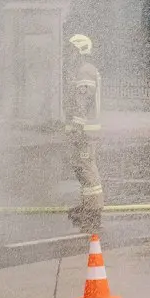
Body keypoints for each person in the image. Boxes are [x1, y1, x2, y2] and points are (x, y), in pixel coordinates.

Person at [65, 34, 103, 233]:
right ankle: (88, 205)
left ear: (79, 50)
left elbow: (83, 101)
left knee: (87, 168)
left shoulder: (85, 70)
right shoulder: (85, 70)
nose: (69, 54)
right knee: (82, 167)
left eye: (71, 50)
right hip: (86, 129)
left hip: (86, 131)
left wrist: (77, 127)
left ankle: (93, 210)